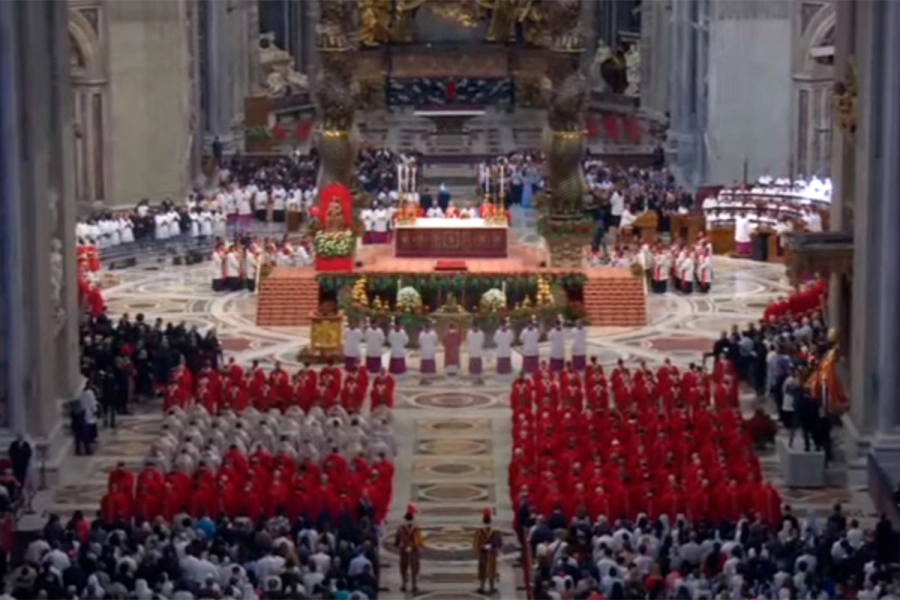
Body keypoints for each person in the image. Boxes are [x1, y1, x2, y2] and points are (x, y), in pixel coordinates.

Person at [395, 504, 424, 593]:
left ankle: (404, 583)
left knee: (404, 566)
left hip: (404, 547)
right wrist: (417, 545)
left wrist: (398, 543)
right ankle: (413, 584)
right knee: (414, 567)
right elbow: (418, 537)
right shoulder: (416, 526)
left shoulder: (401, 525)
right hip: (413, 548)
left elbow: (398, 536)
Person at [473, 508, 502, 595]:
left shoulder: (479, 531)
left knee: (482, 570)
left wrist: (482, 547)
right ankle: (492, 587)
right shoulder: (495, 531)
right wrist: (493, 546)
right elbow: (499, 543)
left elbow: (476, 544)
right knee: (491, 570)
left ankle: (482, 587)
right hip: (492, 553)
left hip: (483, 554)